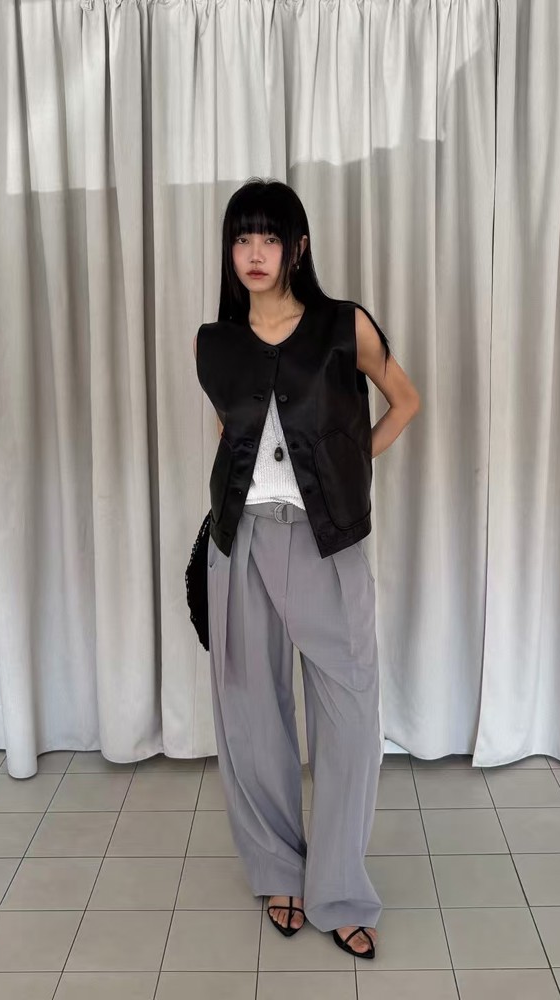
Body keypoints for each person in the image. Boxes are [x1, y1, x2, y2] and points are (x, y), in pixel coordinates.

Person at [193, 178, 420, 959]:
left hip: (328, 541)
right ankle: (278, 870)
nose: (254, 254)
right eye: (241, 238)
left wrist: (350, 470)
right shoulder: (215, 344)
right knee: (251, 710)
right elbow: (231, 438)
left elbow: (406, 401)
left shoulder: (342, 325)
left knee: (349, 713)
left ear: (299, 247)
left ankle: (341, 888)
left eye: (269, 238)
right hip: (242, 540)